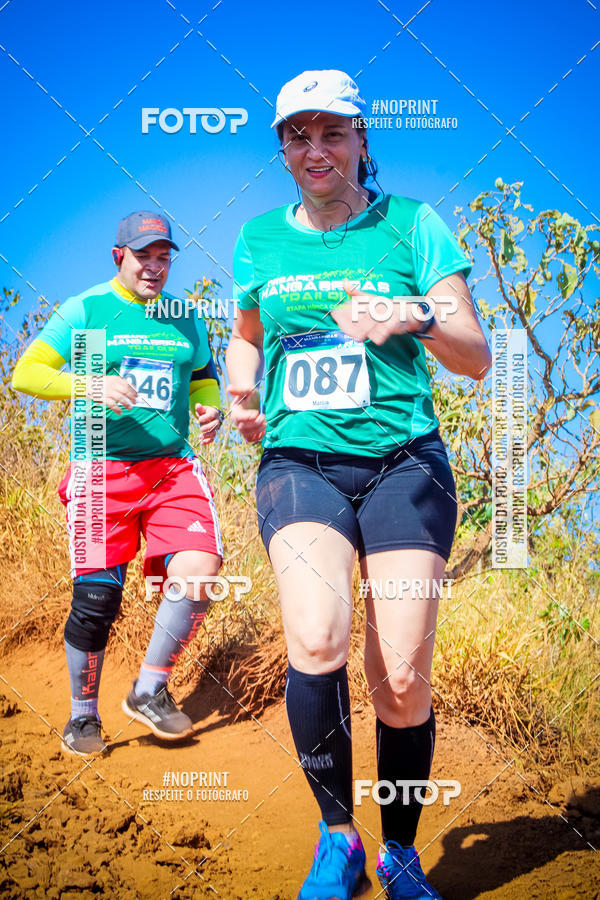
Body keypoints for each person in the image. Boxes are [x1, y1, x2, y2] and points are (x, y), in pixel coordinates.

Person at [226, 71, 491, 899]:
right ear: (282, 149)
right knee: (315, 640)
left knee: (402, 679)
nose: (315, 150)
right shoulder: (259, 238)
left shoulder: (414, 224)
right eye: (297, 136)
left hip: (405, 463)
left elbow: (475, 354)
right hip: (299, 465)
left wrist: (411, 313)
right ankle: (337, 837)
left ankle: (400, 851)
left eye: (332, 132)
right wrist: (241, 390)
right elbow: (246, 335)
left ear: (362, 139)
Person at [12, 211, 224, 758]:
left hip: (172, 467)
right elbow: (27, 373)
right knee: (96, 601)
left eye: (164, 257)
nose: (155, 267)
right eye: (143, 256)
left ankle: (150, 688)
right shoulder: (86, 310)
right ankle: (83, 717)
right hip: (100, 471)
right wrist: (91, 383)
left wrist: (208, 410)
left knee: (200, 568)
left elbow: (204, 375)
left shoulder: (185, 316)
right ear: (118, 257)